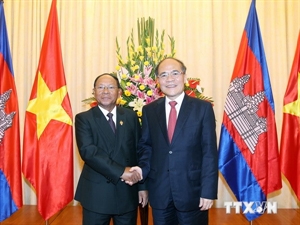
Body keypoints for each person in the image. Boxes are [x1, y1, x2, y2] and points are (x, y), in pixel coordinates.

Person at [136, 58, 218, 225]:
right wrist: (141, 177)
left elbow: (209, 152)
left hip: (193, 194)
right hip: (160, 193)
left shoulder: (202, 108)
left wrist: (208, 191)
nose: (170, 79)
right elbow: (146, 147)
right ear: (157, 81)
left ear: (184, 76)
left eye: (175, 73)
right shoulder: (149, 110)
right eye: (164, 75)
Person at [74, 73, 148, 225]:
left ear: (119, 92)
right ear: (94, 92)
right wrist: (122, 172)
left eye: (110, 87)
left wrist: (142, 186)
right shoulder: (84, 119)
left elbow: (139, 151)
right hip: (96, 195)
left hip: (127, 192)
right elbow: (89, 152)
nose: (105, 91)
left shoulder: (130, 117)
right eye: (100, 87)